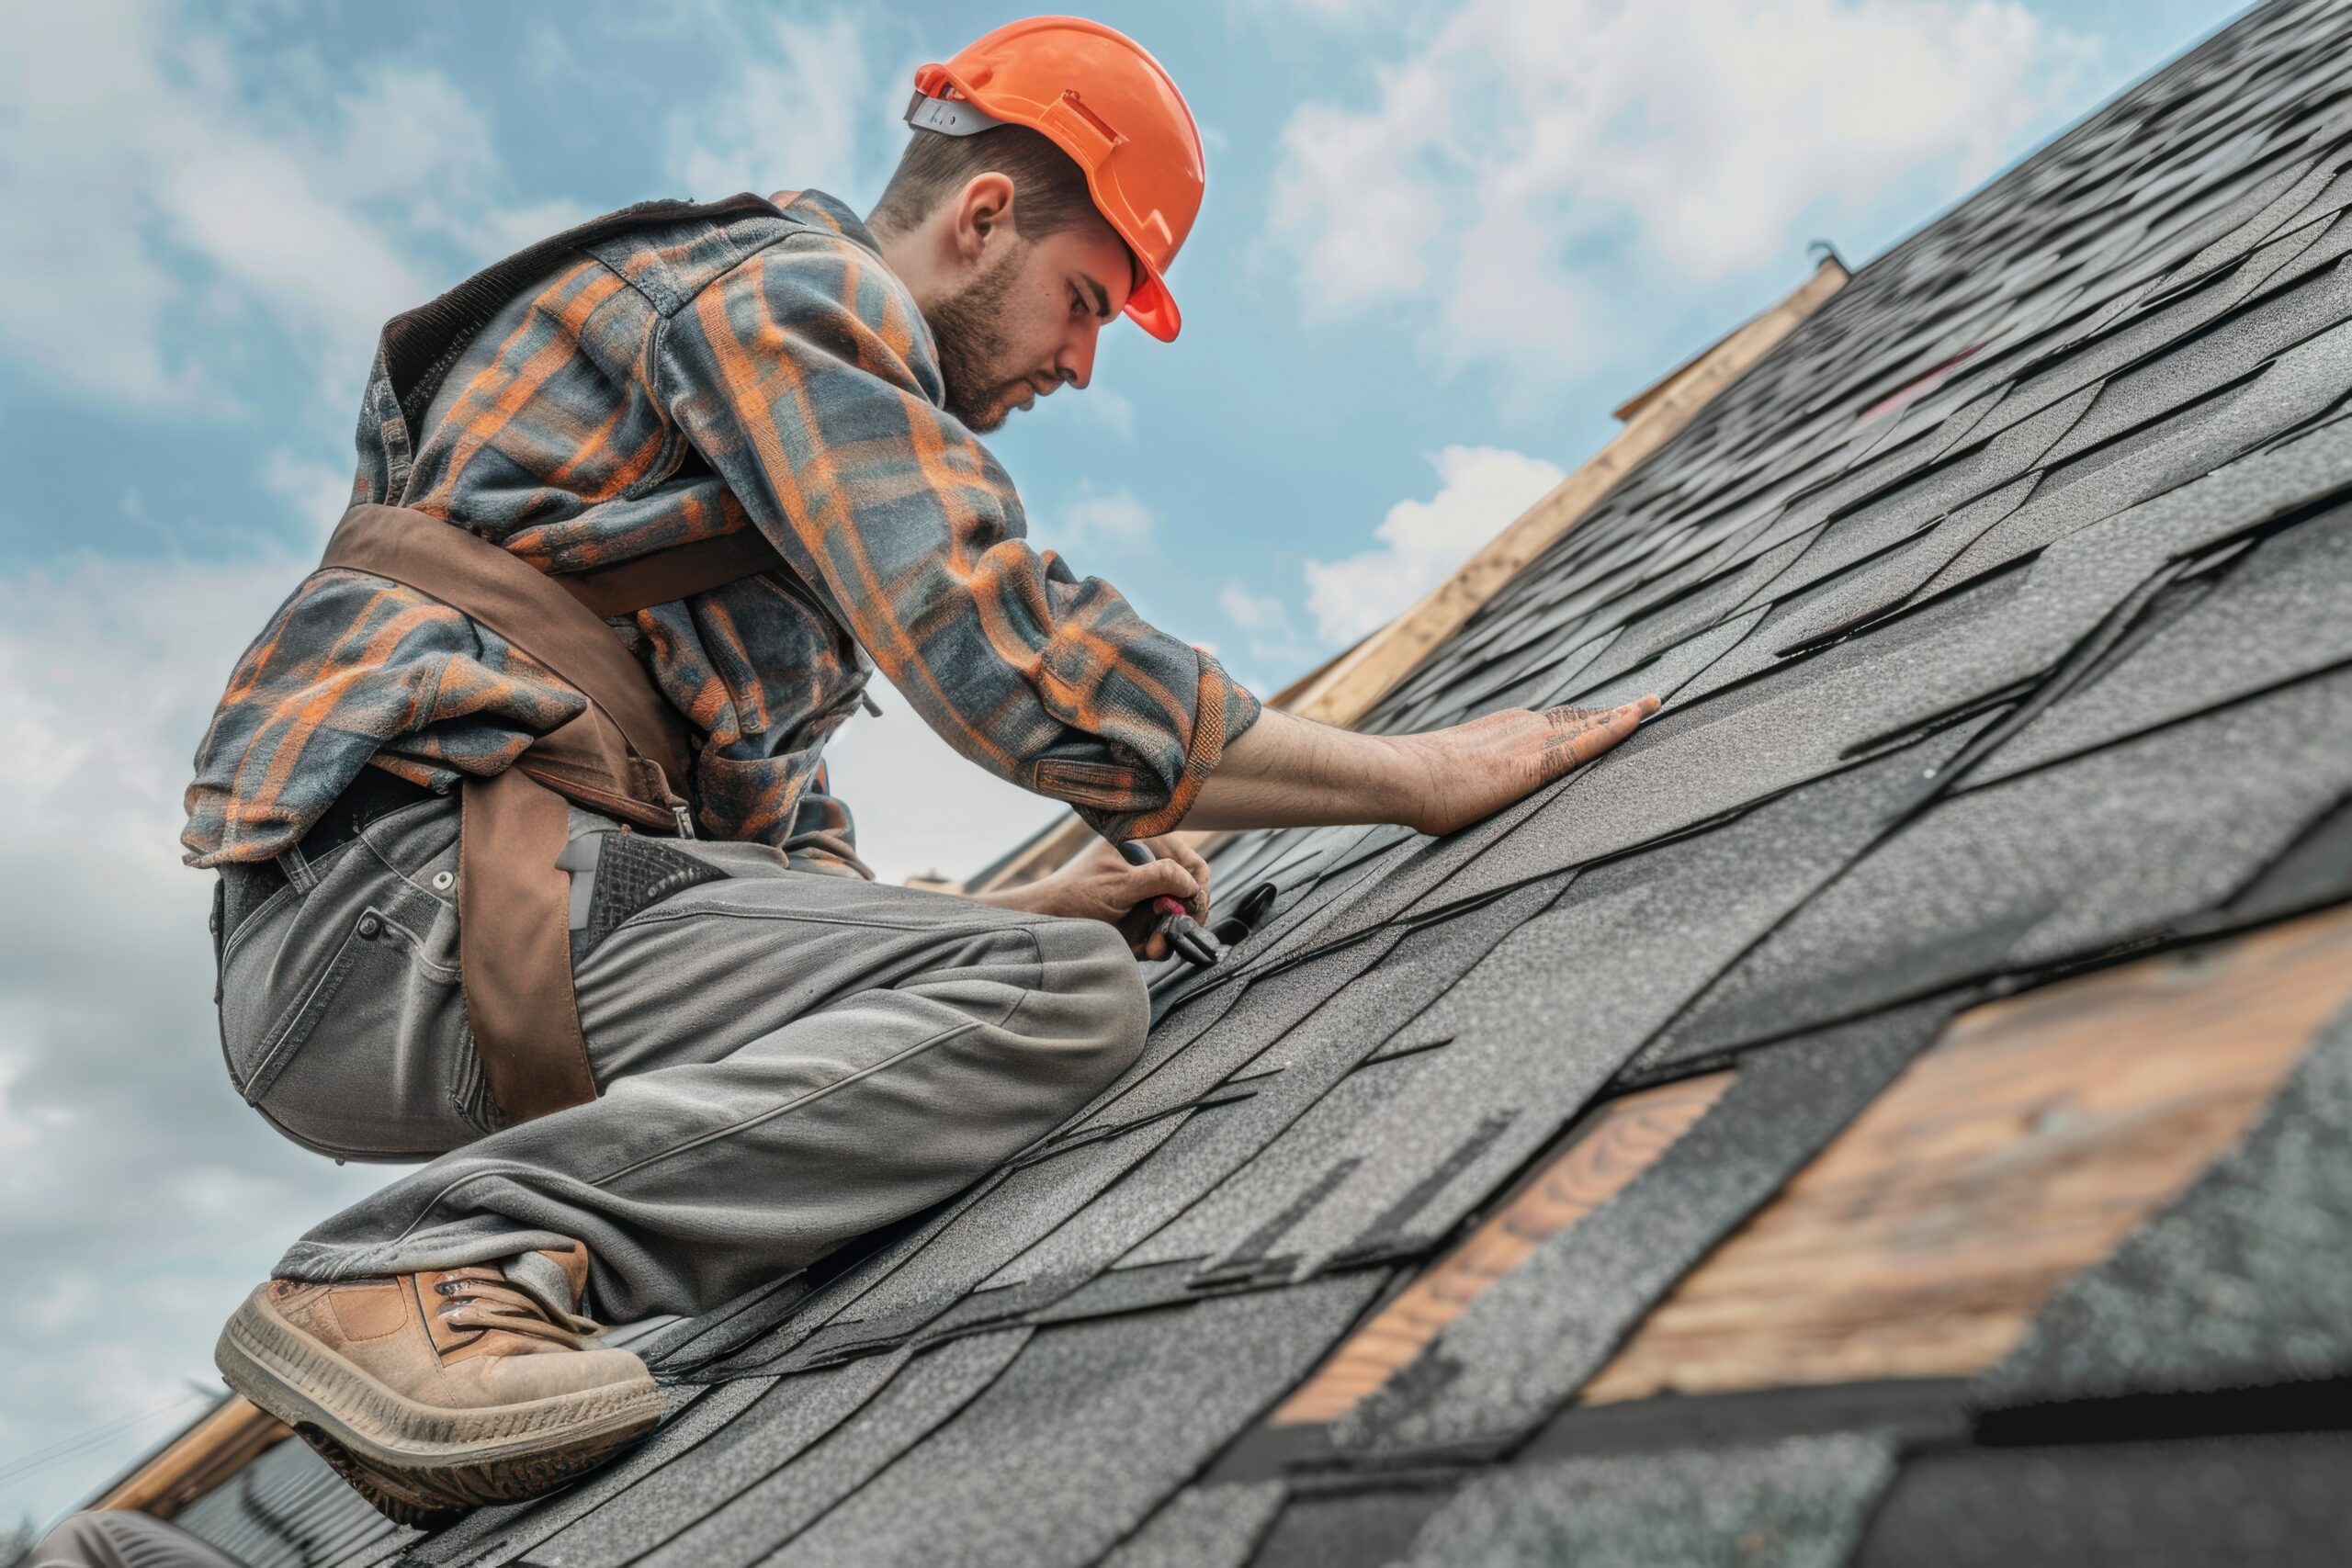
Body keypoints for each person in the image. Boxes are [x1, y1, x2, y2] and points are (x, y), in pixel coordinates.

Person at [182, 17, 1656, 1524]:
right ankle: (420, 1271)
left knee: (1032, 963)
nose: (1082, 364)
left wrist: (1001, 919)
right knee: (1062, 1007)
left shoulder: (741, 499)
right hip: (408, 908)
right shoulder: (788, 296)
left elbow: (770, 837)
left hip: (412, 929)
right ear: (985, 215)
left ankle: (281, 1433)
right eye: (1087, 302)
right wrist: (1416, 776)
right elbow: (1007, 654)